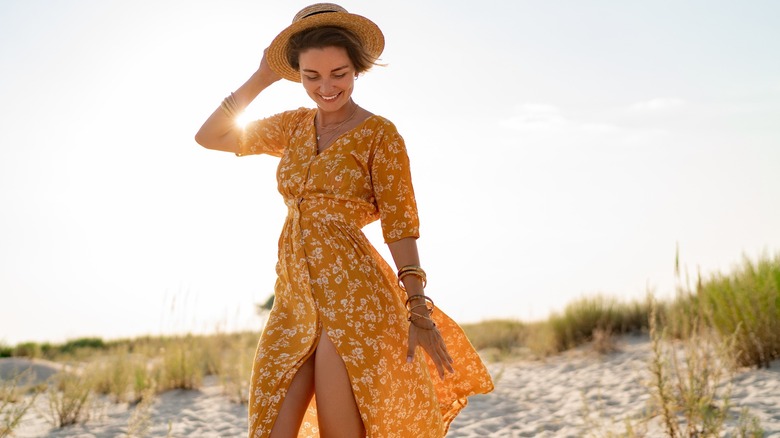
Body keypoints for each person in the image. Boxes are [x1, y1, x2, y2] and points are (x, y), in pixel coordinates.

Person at [195, 4, 493, 437]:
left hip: (354, 298)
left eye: (339, 72)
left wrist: (418, 308)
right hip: (294, 298)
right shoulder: (292, 128)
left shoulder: (380, 135)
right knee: (269, 427)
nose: (326, 86)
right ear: (296, 74)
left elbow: (401, 225)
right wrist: (262, 75)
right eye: (310, 76)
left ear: (358, 69)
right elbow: (211, 136)